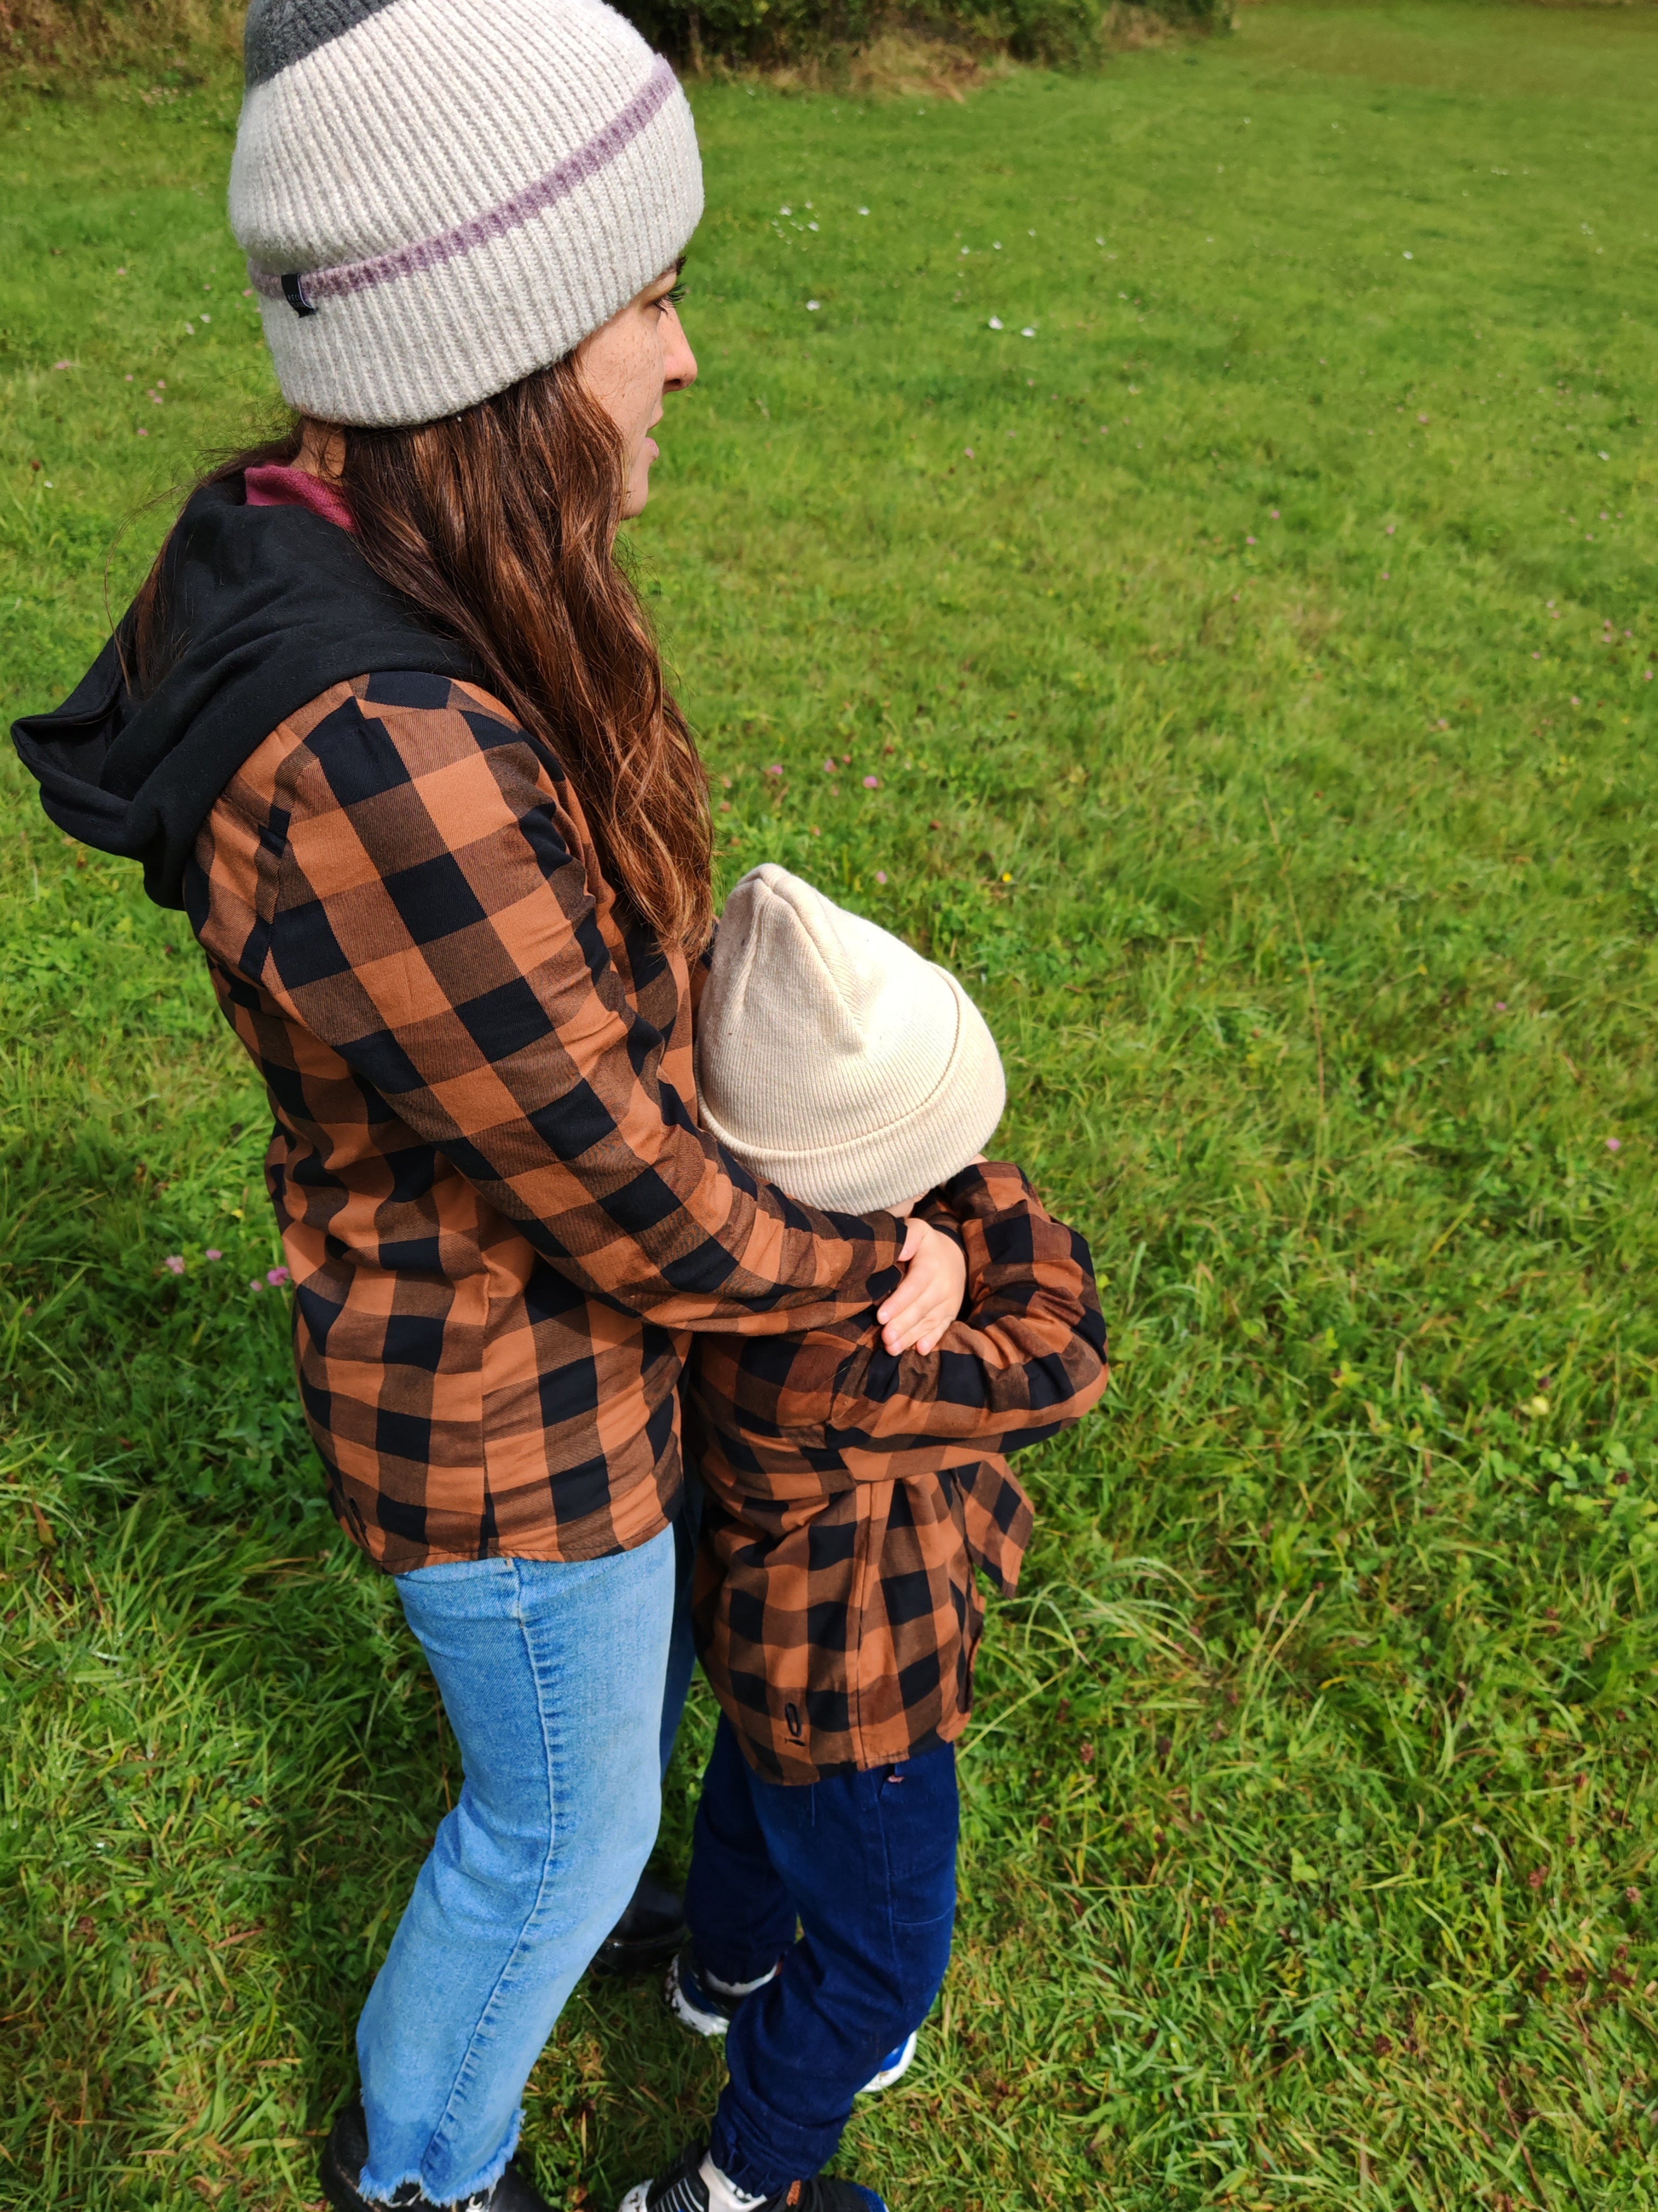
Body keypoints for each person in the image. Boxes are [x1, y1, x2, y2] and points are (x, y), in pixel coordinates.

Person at [9, 4, 968, 2209]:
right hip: (510, 1424)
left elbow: (558, 1054)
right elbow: (628, 1185)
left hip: (539, 1359)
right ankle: (428, 2172)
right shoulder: (381, 743)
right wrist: (873, 1253)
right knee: (554, 1833)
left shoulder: (371, 557)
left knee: (589, 1783)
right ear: (508, 343)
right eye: (651, 297)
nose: (684, 358)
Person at [620, 867, 1109, 2212]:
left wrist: (918, 1222)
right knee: (882, 1957)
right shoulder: (848, 1356)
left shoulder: (749, 1269)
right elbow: (1061, 1362)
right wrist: (965, 1208)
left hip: (769, 1654)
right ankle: (738, 2180)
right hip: (865, 1693)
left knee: (753, 1807)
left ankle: (718, 1978)